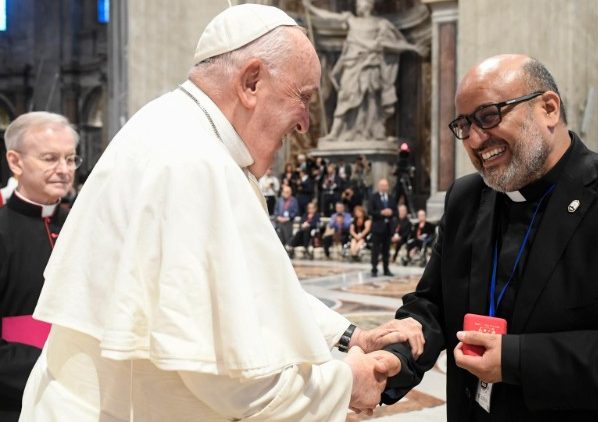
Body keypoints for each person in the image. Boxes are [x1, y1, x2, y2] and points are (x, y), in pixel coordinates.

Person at [20, 5, 425, 421]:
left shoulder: (180, 133)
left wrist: (350, 336)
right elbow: (240, 384)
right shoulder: (192, 163)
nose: (305, 123)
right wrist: (347, 382)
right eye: (302, 97)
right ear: (251, 82)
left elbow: (247, 289)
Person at [378, 54, 598, 421]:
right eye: (464, 125)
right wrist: (400, 352)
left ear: (548, 108)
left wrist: (519, 360)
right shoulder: (467, 197)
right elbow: (433, 302)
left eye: (489, 116)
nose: (477, 139)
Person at [0, 112, 79, 420]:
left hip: (84, 392)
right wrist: (52, 369)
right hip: (17, 398)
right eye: (50, 159)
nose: (64, 170)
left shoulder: (82, 223)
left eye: (71, 159)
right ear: (16, 162)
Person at [302, 0, 422, 141]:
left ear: (371, 5)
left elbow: (392, 43)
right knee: (345, 97)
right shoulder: (351, 20)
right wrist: (311, 8)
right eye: (358, 3)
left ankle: (376, 131)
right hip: (352, 64)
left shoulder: (380, 23)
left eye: (362, 2)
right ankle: (336, 132)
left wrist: (413, 48)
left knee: (371, 98)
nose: (359, 5)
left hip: (371, 64)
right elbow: (330, 17)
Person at [368, 178, 396, 276]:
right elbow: (370, 211)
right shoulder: (373, 197)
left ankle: (386, 269)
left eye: (386, 185)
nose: (384, 187)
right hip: (377, 227)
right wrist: (381, 212)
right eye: (382, 185)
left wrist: (391, 212)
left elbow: (395, 211)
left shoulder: (391, 197)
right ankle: (374, 269)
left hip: (388, 228)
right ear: (379, 186)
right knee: (375, 250)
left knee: (386, 250)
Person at [274, 184, 299, 252]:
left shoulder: (293, 200)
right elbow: (276, 211)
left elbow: (295, 211)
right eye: (284, 192)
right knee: (279, 239)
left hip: (288, 222)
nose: (286, 193)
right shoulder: (279, 200)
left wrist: (287, 218)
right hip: (279, 222)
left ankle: (288, 253)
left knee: (288, 238)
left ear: (290, 193)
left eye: (287, 192)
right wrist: (278, 217)